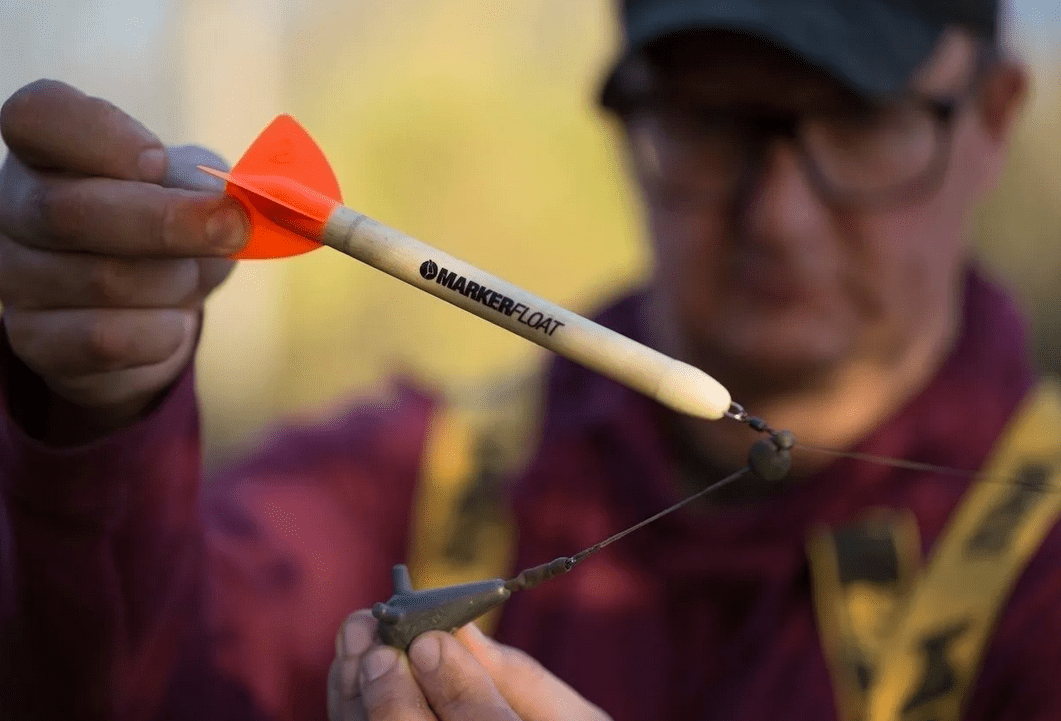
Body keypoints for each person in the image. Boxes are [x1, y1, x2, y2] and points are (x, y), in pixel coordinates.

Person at [0, 0, 1054, 719]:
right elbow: (117, 680)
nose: (776, 215)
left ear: (994, 116)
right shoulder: (397, 482)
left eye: (858, 120)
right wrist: (98, 413)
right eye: (706, 122)